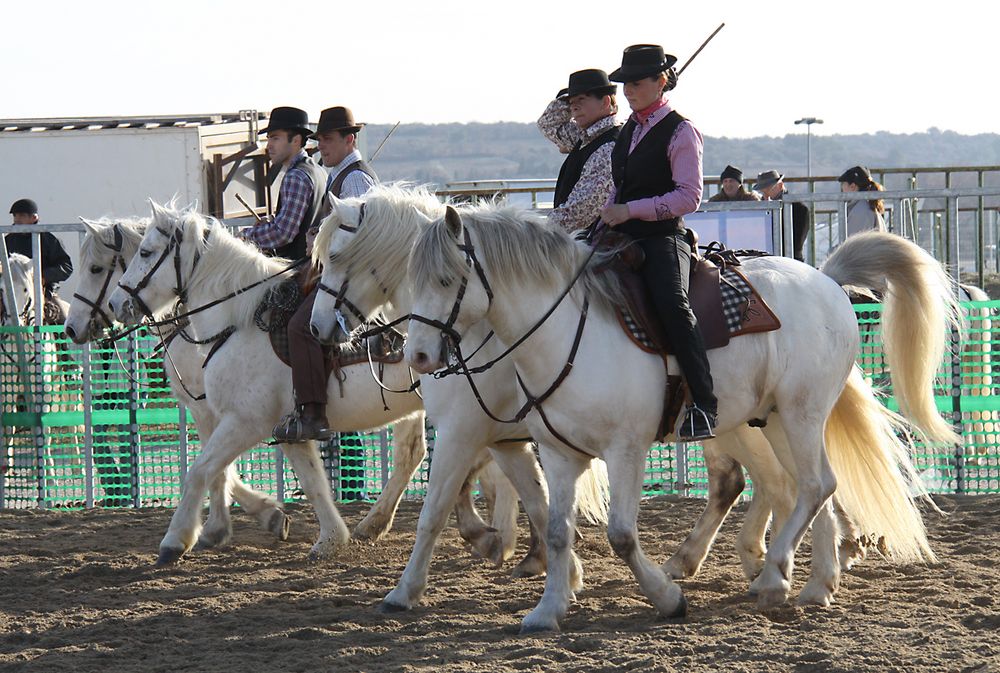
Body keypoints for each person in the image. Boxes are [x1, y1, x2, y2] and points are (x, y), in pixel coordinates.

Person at [598, 44, 716, 441]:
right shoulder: (629, 130)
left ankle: (704, 403)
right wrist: (611, 211)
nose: (628, 90)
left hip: (664, 237)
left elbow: (688, 197)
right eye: (625, 83)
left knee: (673, 304)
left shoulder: (682, 131)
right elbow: (620, 186)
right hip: (619, 235)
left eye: (636, 82)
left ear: (660, 81)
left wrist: (630, 210)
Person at [238, 106, 331, 442]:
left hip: (300, 271)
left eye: (276, 138)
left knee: (293, 328)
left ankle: (308, 409)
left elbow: (283, 233)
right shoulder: (316, 172)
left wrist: (242, 238)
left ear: (297, 140)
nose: (269, 145)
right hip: (308, 269)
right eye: (270, 138)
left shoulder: (295, 176)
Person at [537, 69, 620, 233]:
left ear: (605, 102)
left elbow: (579, 211)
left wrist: (538, 232)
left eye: (582, 99)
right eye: (571, 102)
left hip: (593, 244)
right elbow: (547, 124)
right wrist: (568, 99)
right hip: (580, 241)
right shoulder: (584, 137)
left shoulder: (609, 146)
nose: (574, 107)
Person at [6, 198, 74, 324]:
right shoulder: (7, 241)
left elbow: (66, 267)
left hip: (44, 293)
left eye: (22, 215)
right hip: (12, 294)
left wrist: (42, 276)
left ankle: (62, 344)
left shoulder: (48, 240)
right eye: (15, 215)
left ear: (34, 218)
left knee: (64, 319)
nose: (17, 219)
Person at [754, 170, 810, 262]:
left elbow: (796, 246)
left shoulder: (799, 209)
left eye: (768, 190)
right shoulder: (760, 210)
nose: (765, 195)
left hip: (789, 262)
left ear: (780, 186)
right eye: (762, 192)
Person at [838, 165, 885, 237]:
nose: (842, 190)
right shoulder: (865, 205)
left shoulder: (860, 211)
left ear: (852, 186)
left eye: (843, 186)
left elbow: (854, 245)